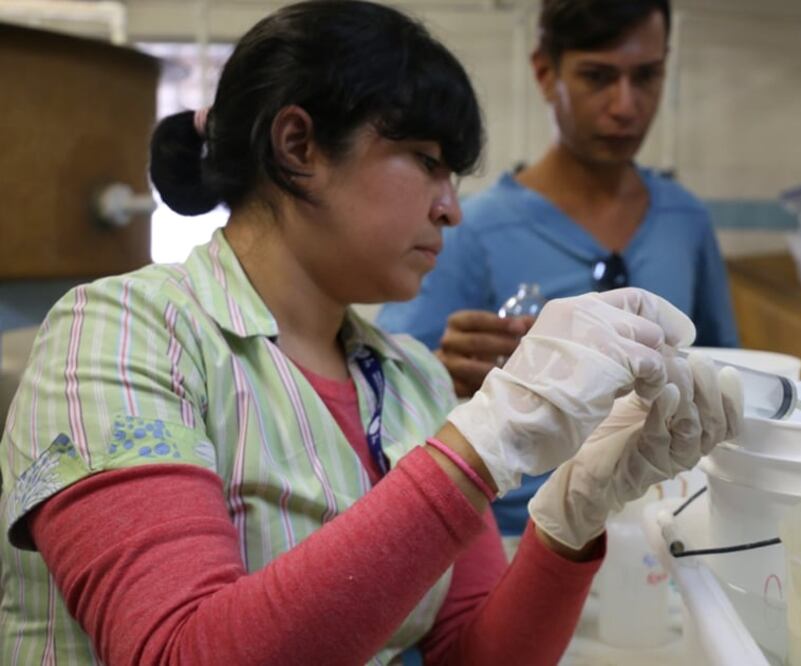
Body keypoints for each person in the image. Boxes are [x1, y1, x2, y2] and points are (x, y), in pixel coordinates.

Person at [0, 2, 742, 664]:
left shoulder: (410, 377)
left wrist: (570, 517)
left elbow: (469, 653)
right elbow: (178, 650)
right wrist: (482, 447)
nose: (451, 209)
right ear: (299, 146)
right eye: (426, 163)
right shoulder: (119, 335)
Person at [378, 0, 740, 536]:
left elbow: (726, 375)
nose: (625, 106)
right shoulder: (471, 231)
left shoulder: (684, 221)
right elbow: (381, 400)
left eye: (647, 77)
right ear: (546, 74)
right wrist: (440, 373)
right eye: (598, 77)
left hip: (662, 531)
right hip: (514, 542)